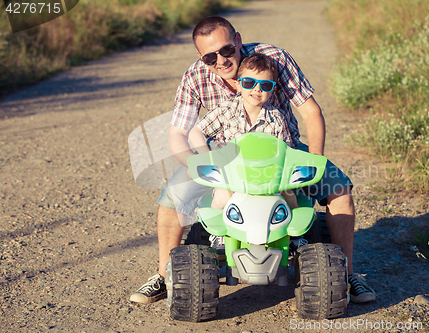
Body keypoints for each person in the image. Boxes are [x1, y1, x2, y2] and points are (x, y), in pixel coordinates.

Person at [129, 15, 376, 305]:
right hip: (224, 159)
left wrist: (315, 160)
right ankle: (164, 274)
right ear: (201, 56)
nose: (220, 60)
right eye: (210, 56)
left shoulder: (274, 59)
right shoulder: (195, 76)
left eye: (226, 50)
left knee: (339, 190)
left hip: (282, 152)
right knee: (172, 197)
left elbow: (311, 113)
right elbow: (178, 135)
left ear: (237, 40)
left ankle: (345, 274)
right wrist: (200, 162)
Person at [189, 52, 298, 210]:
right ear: (239, 84)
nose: (257, 89)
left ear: (272, 89)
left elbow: (286, 151)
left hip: (266, 175)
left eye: (265, 85)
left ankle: (294, 231)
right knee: (222, 198)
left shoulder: (276, 118)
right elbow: (195, 132)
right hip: (232, 175)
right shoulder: (227, 109)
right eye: (249, 82)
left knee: (288, 195)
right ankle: (217, 232)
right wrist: (209, 159)